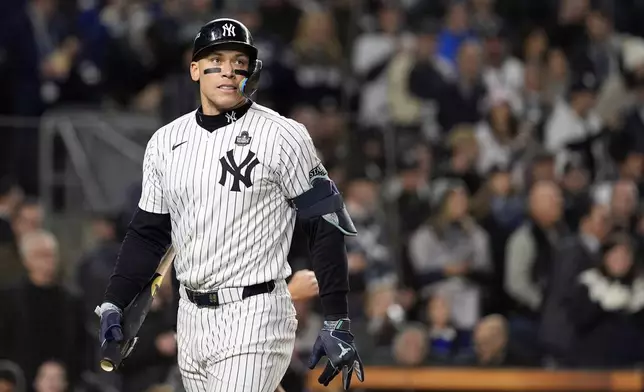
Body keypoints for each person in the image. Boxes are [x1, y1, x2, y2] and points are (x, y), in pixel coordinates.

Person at [96, 18, 364, 392]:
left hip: (256, 311)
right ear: (194, 69)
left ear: (250, 71)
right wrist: (114, 302)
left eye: (239, 61)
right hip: (190, 316)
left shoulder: (283, 135)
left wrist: (337, 318)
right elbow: (148, 233)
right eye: (216, 60)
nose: (228, 70)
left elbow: (325, 224)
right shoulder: (165, 142)